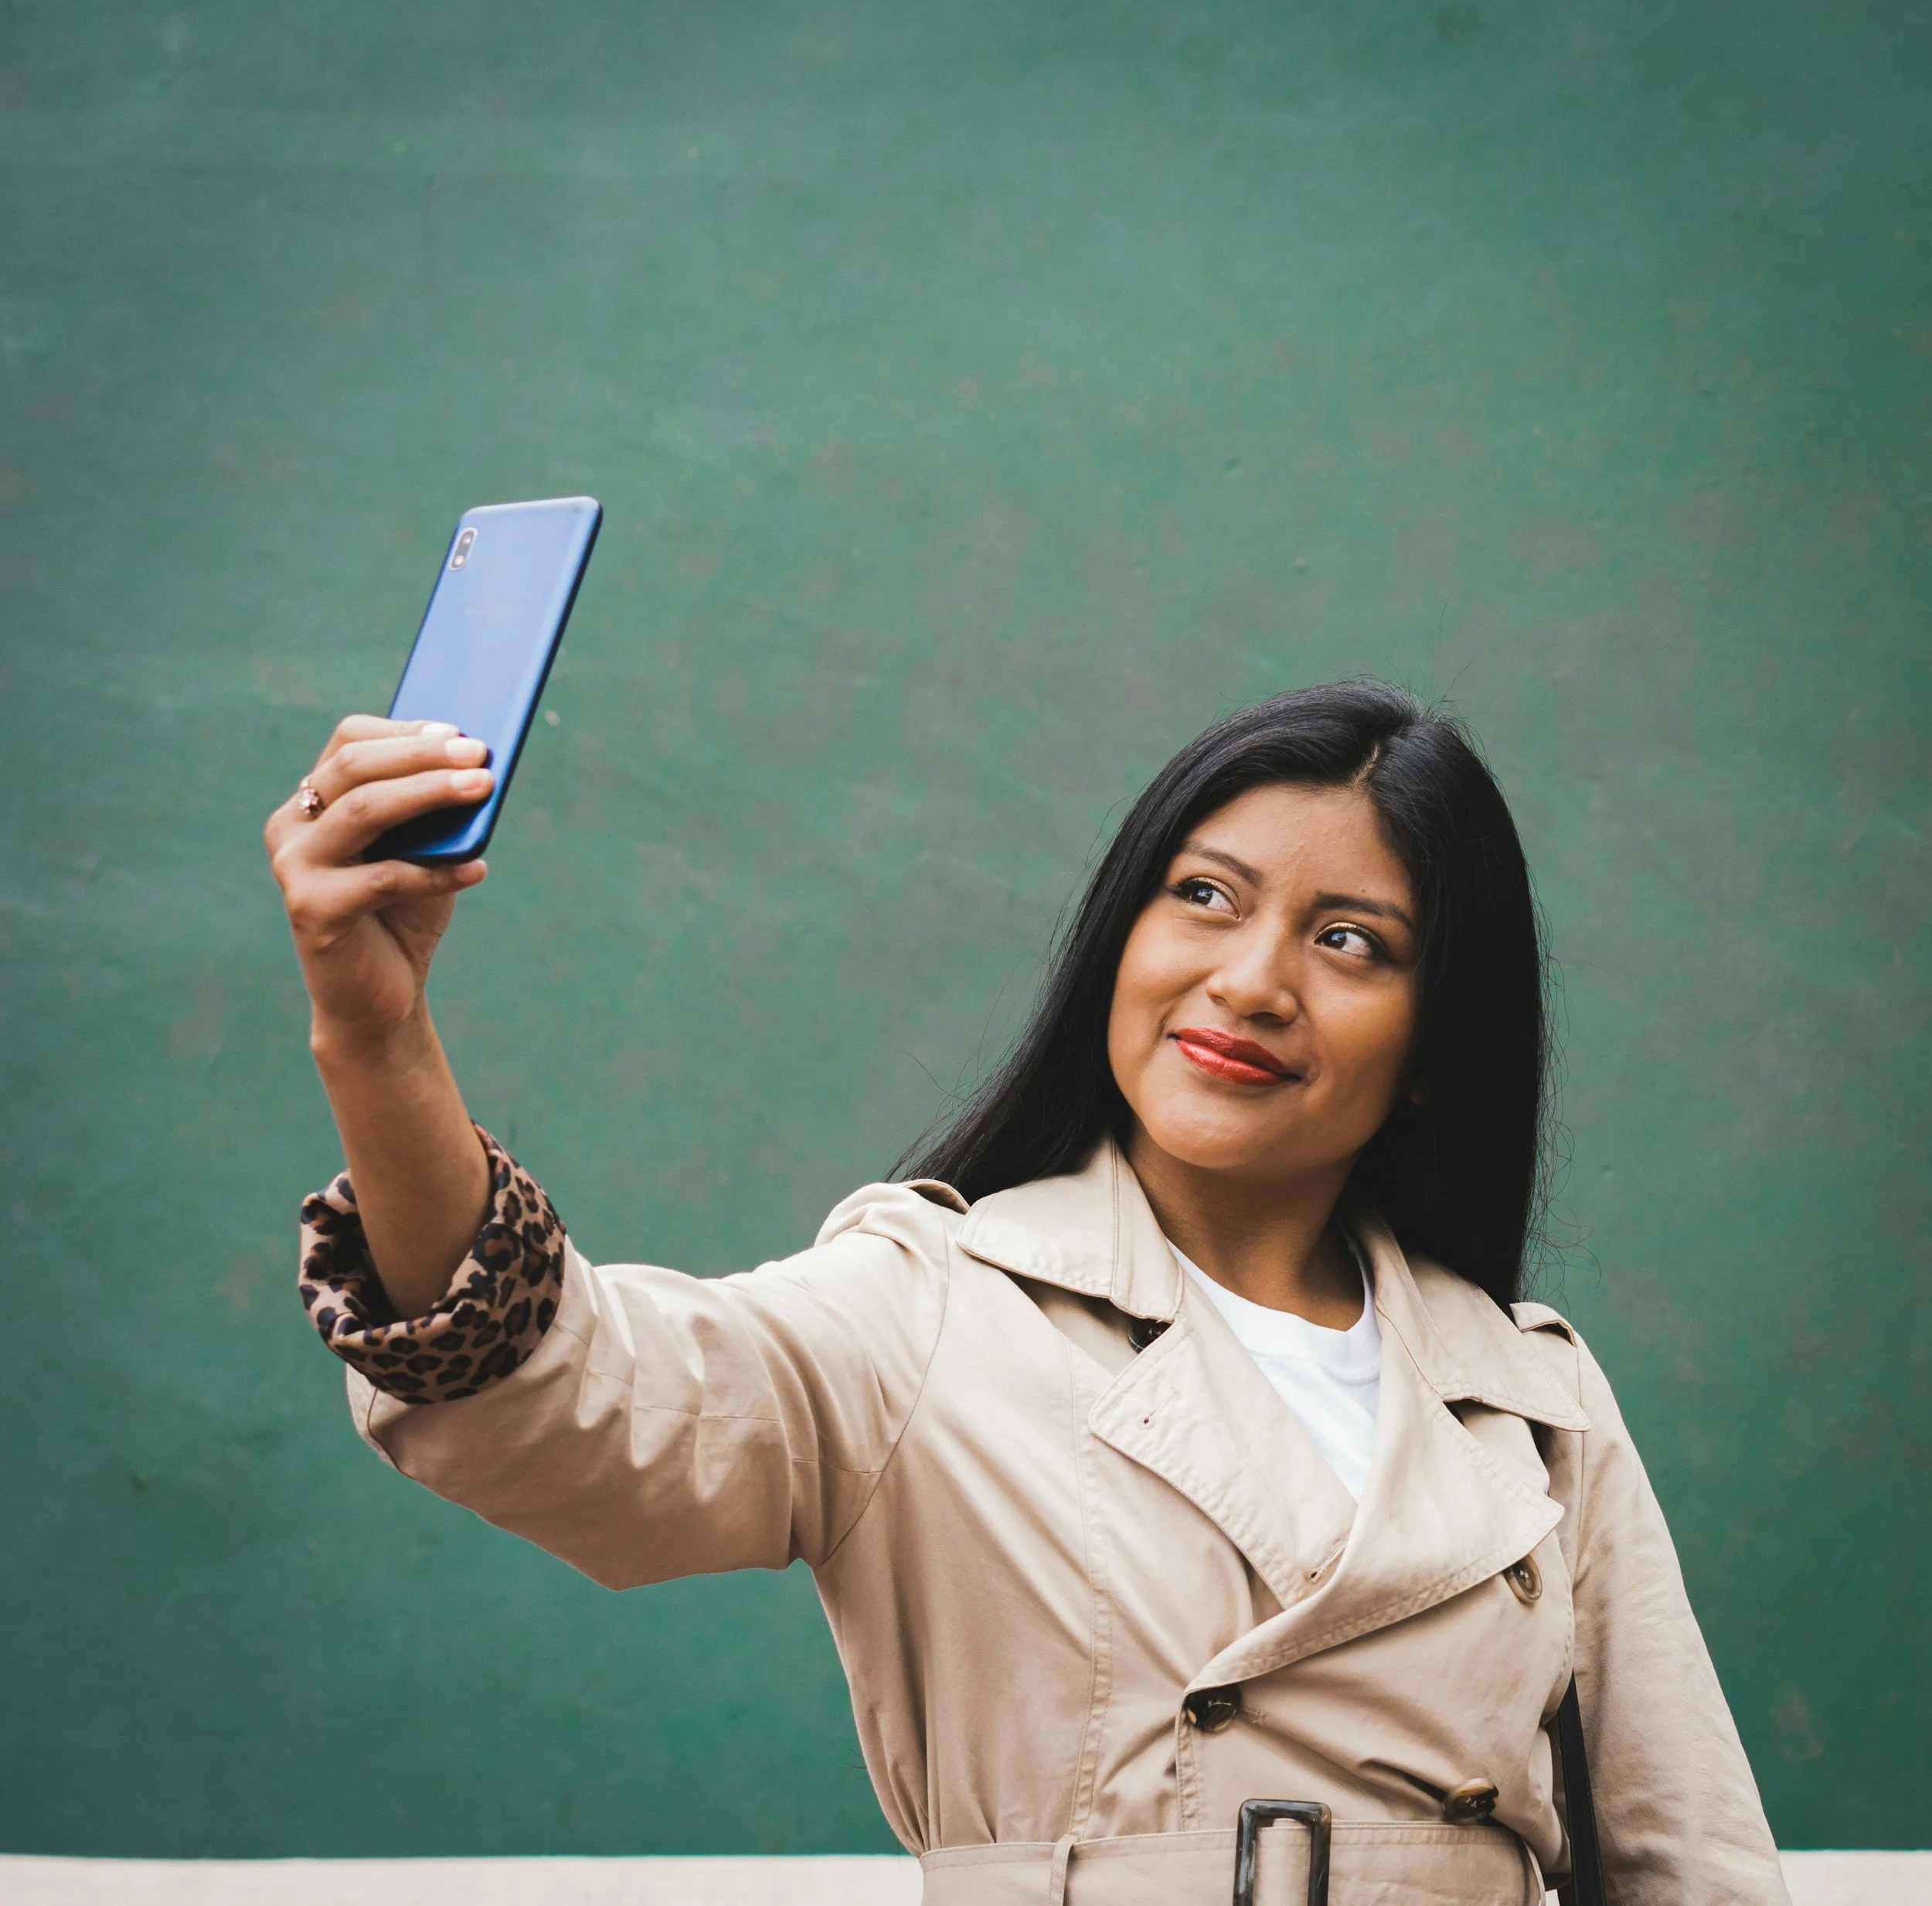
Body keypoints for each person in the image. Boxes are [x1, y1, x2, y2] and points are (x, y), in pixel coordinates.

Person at [266, 682, 1787, 1906]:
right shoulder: (931, 1301)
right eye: (1204, 893)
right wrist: (375, 1035)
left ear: (1433, 1038)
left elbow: (1688, 1863)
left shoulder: (1527, 1391)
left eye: (1346, 940)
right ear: (1117, 931)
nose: (1250, 979)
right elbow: (583, 1404)